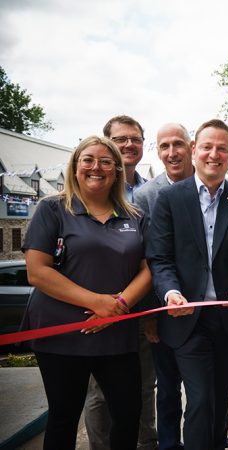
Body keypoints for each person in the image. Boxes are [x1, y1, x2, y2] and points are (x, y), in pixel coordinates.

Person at [21, 136, 151, 450]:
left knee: (129, 412)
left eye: (106, 161)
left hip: (116, 334)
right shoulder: (52, 208)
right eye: (88, 160)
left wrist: (118, 305)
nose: (96, 167)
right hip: (62, 333)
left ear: (118, 170)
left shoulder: (135, 216)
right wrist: (97, 302)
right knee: (64, 418)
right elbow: (37, 271)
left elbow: (148, 270)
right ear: (76, 167)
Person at [146, 119, 228, 450]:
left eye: (222, 148)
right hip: (186, 320)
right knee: (201, 399)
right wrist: (171, 292)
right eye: (207, 147)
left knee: (220, 400)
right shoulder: (169, 199)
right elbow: (160, 257)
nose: (214, 154)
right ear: (195, 150)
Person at [85, 114, 156, 450]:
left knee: (142, 385)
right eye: (121, 139)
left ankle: (145, 443)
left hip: (140, 309)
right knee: (99, 393)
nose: (129, 145)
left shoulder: (152, 192)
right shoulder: (89, 187)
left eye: (136, 139)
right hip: (97, 309)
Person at [134, 123, 194, 450]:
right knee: (168, 389)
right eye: (164, 146)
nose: (172, 153)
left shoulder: (211, 184)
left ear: (191, 146)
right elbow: (143, 259)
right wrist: (148, 314)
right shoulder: (144, 196)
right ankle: (169, 445)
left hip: (205, 308)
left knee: (206, 390)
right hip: (163, 310)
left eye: (178, 144)